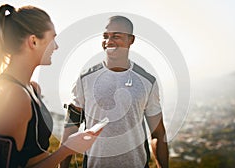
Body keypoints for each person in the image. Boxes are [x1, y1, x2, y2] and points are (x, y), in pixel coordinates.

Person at [0, 4, 101, 168]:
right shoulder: (12, 95)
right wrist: (67, 149)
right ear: (33, 41)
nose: (56, 46)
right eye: (52, 38)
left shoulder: (32, 88)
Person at [61, 16, 169, 168]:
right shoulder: (85, 79)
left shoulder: (147, 81)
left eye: (116, 36)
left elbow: (158, 134)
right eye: (105, 36)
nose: (109, 41)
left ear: (131, 40)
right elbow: (71, 128)